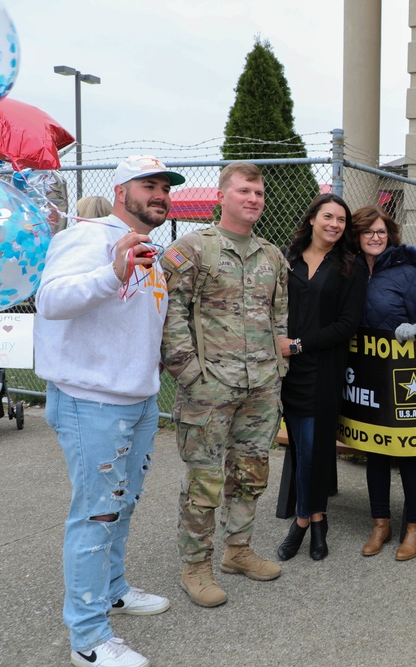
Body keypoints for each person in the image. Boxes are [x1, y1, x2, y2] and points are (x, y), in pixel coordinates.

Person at [35, 155, 184, 667]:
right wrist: (111, 271)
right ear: (121, 191)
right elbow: (50, 299)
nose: (161, 193)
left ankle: (114, 589)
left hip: (137, 400)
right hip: (91, 402)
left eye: (166, 186)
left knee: (121, 505)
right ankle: (89, 637)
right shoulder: (89, 237)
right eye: (150, 184)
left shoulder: (149, 249)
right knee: (95, 514)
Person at [160, 162, 288, 608]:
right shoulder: (192, 249)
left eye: (258, 192)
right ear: (222, 196)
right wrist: (190, 374)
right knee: (205, 478)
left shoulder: (271, 256)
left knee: (250, 473)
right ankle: (195, 566)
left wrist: (277, 371)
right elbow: (170, 317)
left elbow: (279, 318)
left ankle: (238, 550)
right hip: (210, 389)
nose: (253, 198)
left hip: (261, 389)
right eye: (243, 191)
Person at [275, 193, 367, 562]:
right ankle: (318, 519)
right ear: (312, 219)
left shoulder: (350, 265)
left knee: (315, 446)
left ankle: (302, 521)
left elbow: (348, 324)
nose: (334, 224)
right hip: (288, 372)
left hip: (325, 368)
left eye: (341, 220)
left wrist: (298, 344)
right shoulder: (288, 259)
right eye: (328, 216)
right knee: (300, 446)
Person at [352, 205, 416, 561]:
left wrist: (415, 329)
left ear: (390, 235)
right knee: (374, 449)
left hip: (406, 378)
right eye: (367, 231)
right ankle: (380, 523)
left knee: (409, 453)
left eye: (381, 231)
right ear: (355, 237)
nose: (375, 237)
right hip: (367, 374)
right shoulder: (349, 271)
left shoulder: (408, 274)